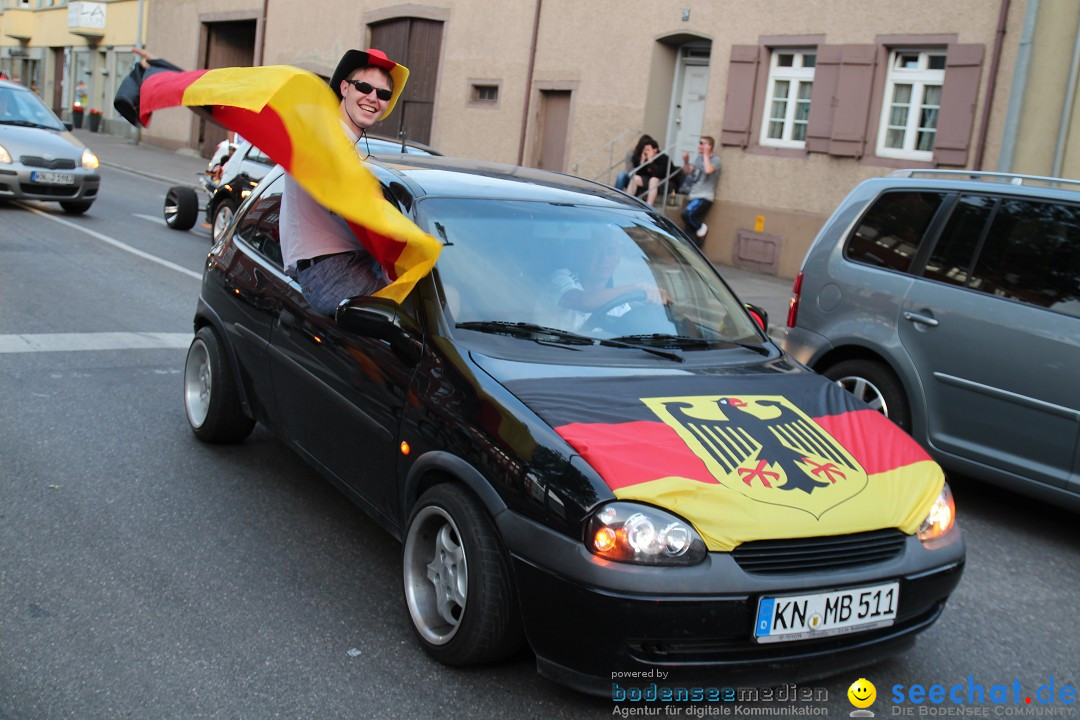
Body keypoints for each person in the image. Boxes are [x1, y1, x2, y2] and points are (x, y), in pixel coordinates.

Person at [279, 48, 409, 315]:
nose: (373, 98)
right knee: (410, 321)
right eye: (365, 87)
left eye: (383, 94)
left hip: (350, 264)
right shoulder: (324, 137)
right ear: (345, 88)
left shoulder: (345, 146)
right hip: (329, 272)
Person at [535, 230, 670, 333]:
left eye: (610, 252)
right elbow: (585, 302)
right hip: (552, 357)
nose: (603, 258)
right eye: (595, 251)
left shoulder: (621, 304)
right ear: (583, 255)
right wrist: (636, 288)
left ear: (618, 259)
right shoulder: (560, 279)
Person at [680, 136, 720, 246]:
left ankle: (701, 226)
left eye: (702, 143)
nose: (699, 146)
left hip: (704, 196)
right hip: (693, 195)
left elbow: (708, 170)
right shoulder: (699, 158)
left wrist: (706, 154)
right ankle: (691, 252)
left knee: (686, 214)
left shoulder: (716, 160)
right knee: (688, 229)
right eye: (699, 143)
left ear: (709, 146)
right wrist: (686, 162)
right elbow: (687, 171)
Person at [626, 139, 679, 207]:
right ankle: (627, 202)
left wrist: (651, 161)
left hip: (668, 182)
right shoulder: (646, 158)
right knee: (635, 178)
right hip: (652, 182)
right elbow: (639, 174)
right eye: (645, 149)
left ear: (655, 150)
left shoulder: (663, 158)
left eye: (648, 149)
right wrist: (642, 162)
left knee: (653, 180)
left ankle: (648, 206)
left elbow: (659, 174)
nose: (645, 151)